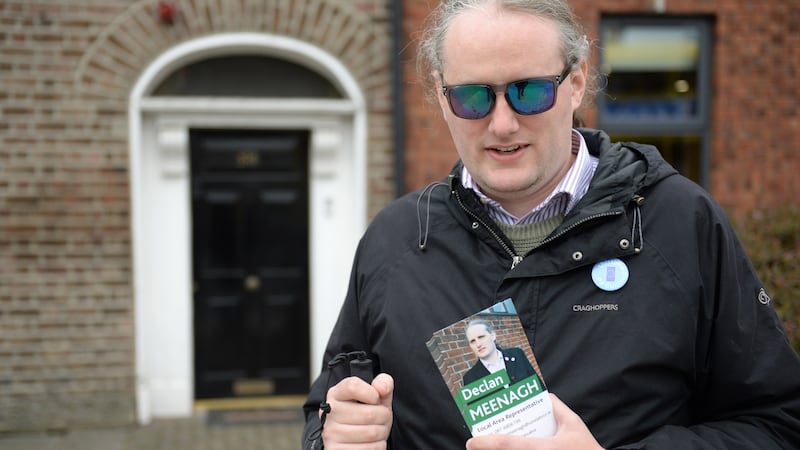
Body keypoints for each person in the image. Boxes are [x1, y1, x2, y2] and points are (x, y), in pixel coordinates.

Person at [302, 0, 800, 448]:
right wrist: (336, 434)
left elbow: (777, 422)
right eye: (473, 98)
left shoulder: (681, 223)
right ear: (440, 93)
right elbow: (332, 402)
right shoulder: (394, 239)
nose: (501, 125)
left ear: (577, 81)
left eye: (530, 92)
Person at [462, 319, 536, 386]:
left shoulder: (517, 354)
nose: (478, 344)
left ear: (493, 335)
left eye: (481, 337)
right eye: (473, 341)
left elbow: (537, 384)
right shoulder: (469, 378)